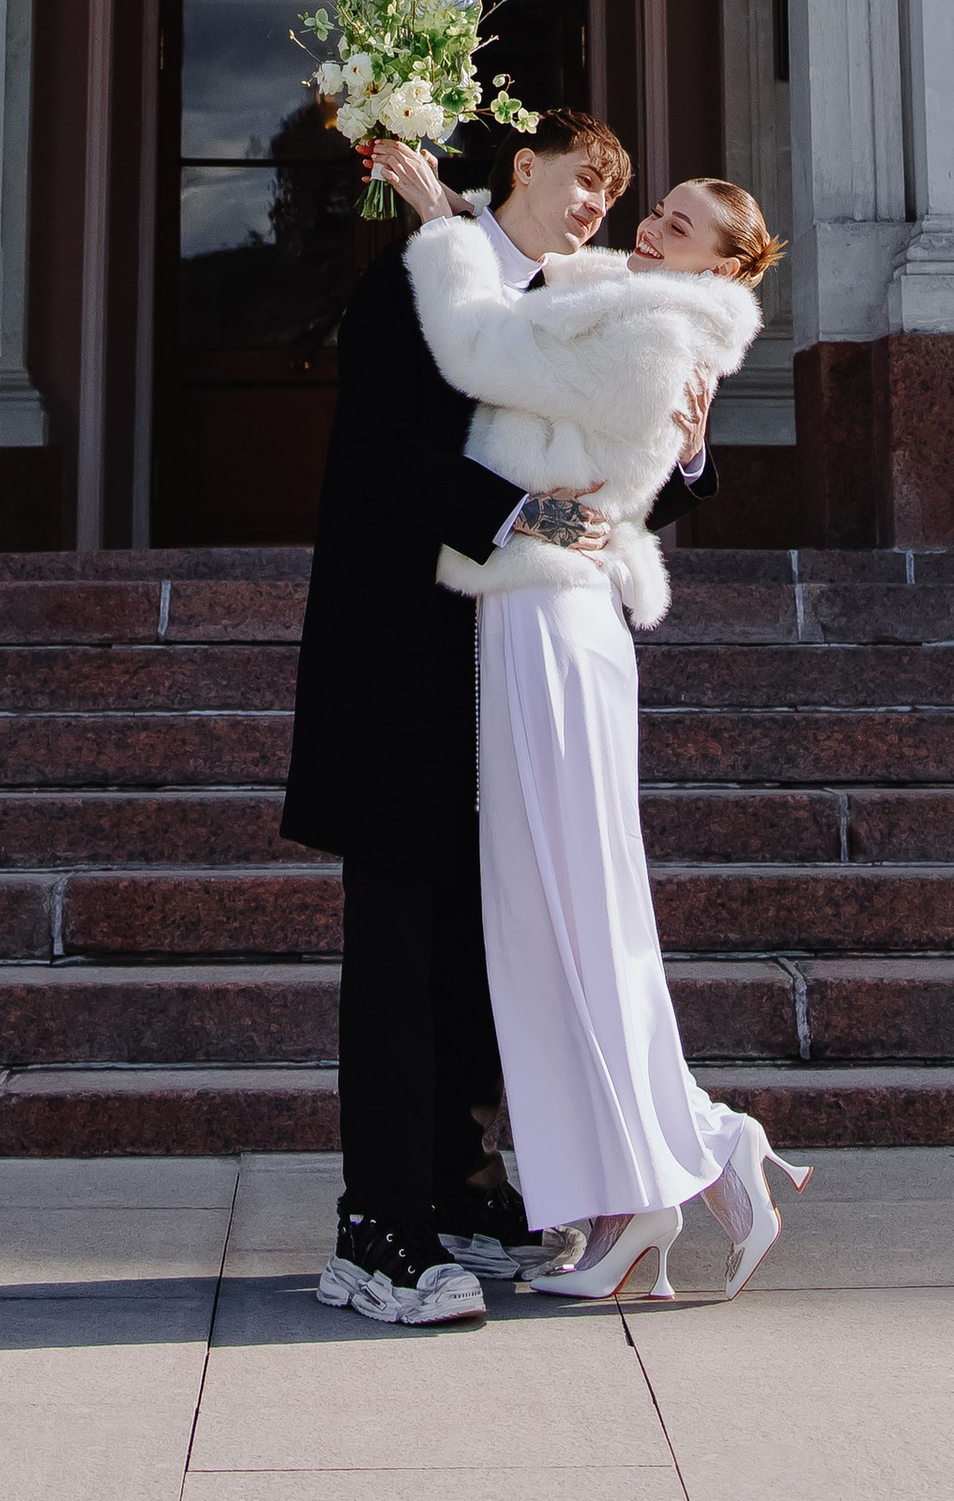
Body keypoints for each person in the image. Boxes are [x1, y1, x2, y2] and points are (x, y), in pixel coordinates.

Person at [281, 109, 718, 1330]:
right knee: (401, 945)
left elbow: (602, 491)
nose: (598, 209)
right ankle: (379, 1230)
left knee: (488, 937)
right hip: (405, 660)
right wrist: (518, 513)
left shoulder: (569, 297)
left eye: (614, 193)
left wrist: (681, 459)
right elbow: (377, 451)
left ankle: (467, 1196)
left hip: (518, 672)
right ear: (524, 166)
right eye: (587, 181)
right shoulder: (419, 279)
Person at [386, 157, 811, 1304]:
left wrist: (438, 225)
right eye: (660, 211)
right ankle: (677, 1160)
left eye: (684, 229)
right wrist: (475, 213)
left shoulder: (662, 332)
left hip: (554, 622)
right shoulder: (622, 298)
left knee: (570, 911)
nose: (654, 230)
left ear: (725, 269)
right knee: (555, 912)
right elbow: (533, 286)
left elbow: (481, 348)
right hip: (526, 608)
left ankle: (653, 1180)